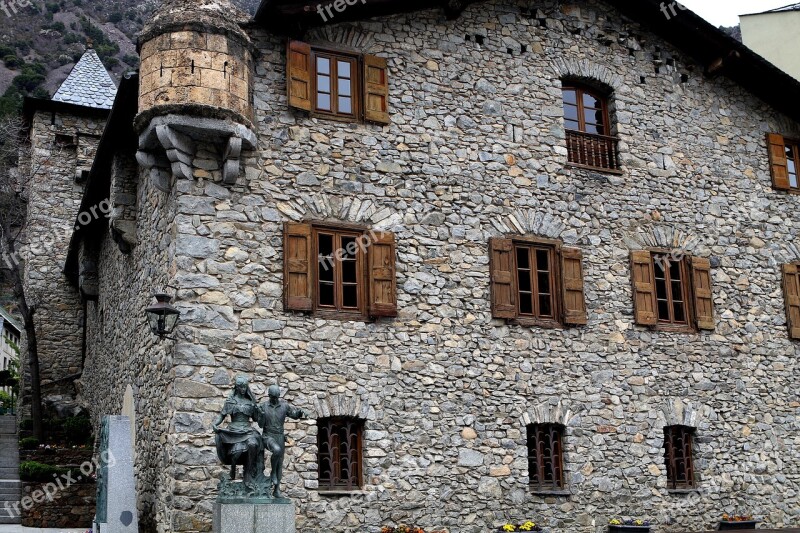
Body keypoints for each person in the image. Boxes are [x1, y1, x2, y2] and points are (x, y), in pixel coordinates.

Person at [212, 375, 265, 488]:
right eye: (241, 387)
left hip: (247, 430)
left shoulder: (250, 402)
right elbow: (222, 416)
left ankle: (249, 475)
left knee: (253, 444)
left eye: (245, 387)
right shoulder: (230, 401)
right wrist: (215, 424)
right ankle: (232, 471)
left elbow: (256, 419)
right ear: (236, 387)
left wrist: (260, 413)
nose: (243, 389)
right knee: (236, 453)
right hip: (234, 431)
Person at [259, 384, 308, 498]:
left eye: (277, 397)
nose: (275, 399)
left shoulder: (284, 406)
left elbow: (294, 415)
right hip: (267, 435)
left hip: (279, 436)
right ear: (269, 396)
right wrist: (261, 415)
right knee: (276, 450)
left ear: (279, 396)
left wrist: (300, 412)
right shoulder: (263, 406)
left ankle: (276, 490)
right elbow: (260, 424)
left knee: (280, 463)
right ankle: (273, 473)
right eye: (273, 397)